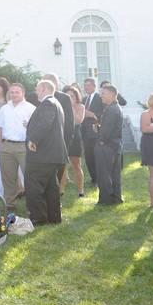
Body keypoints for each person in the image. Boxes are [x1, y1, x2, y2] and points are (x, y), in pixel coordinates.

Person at [25, 80, 67, 225]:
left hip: (42, 154)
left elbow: (45, 124)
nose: (36, 92)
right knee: (51, 188)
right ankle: (54, 217)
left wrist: (33, 140)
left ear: (43, 89)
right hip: (51, 154)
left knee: (34, 186)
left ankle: (38, 218)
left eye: (37, 89)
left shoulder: (48, 103)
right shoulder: (56, 103)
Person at [0, 83, 35, 212]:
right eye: (12, 92)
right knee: (8, 177)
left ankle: (32, 204)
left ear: (23, 93)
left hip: (24, 146)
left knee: (29, 176)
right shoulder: (4, 109)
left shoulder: (31, 108)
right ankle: (10, 204)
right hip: (6, 146)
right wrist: (1, 145)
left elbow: (35, 128)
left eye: (17, 92)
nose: (14, 94)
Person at [42, 74, 75, 194]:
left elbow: (69, 122)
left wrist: (65, 142)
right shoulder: (36, 97)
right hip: (42, 143)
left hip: (59, 142)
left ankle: (57, 192)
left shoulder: (64, 98)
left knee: (58, 171)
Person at [95, 84, 124, 206]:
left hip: (107, 146)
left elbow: (107, 131)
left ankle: (106, 200)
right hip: (114, 145)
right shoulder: (114, 107)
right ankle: (116, 198)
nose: (101, 95)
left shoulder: (112, 109)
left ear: (112, 94)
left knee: (105, 173)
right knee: (114, 173)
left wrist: (100, 137)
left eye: (103, 93)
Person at [63, 85, 87, 198]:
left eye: (72, 96)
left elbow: (78, 121)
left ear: (76, 97)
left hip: (75, 137)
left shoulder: (80, 107)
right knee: (62, 165)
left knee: (77, 165)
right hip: (63, 137)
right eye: (67, 96)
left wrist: (71, 107)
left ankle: (81, 190)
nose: (69, 98)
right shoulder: (60, 106)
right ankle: (61, 190)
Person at [80, 77, 103, 187]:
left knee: (97, 156)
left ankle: (99, 179)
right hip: (85, 132)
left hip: (96, 131)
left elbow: (103, 113)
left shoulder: (100, 98)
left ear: (94, 86)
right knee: (88, 156)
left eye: (89, 85)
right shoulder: (84, 99)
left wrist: (93, 114)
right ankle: (93, 178)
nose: (86, 87)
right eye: (85, 85)